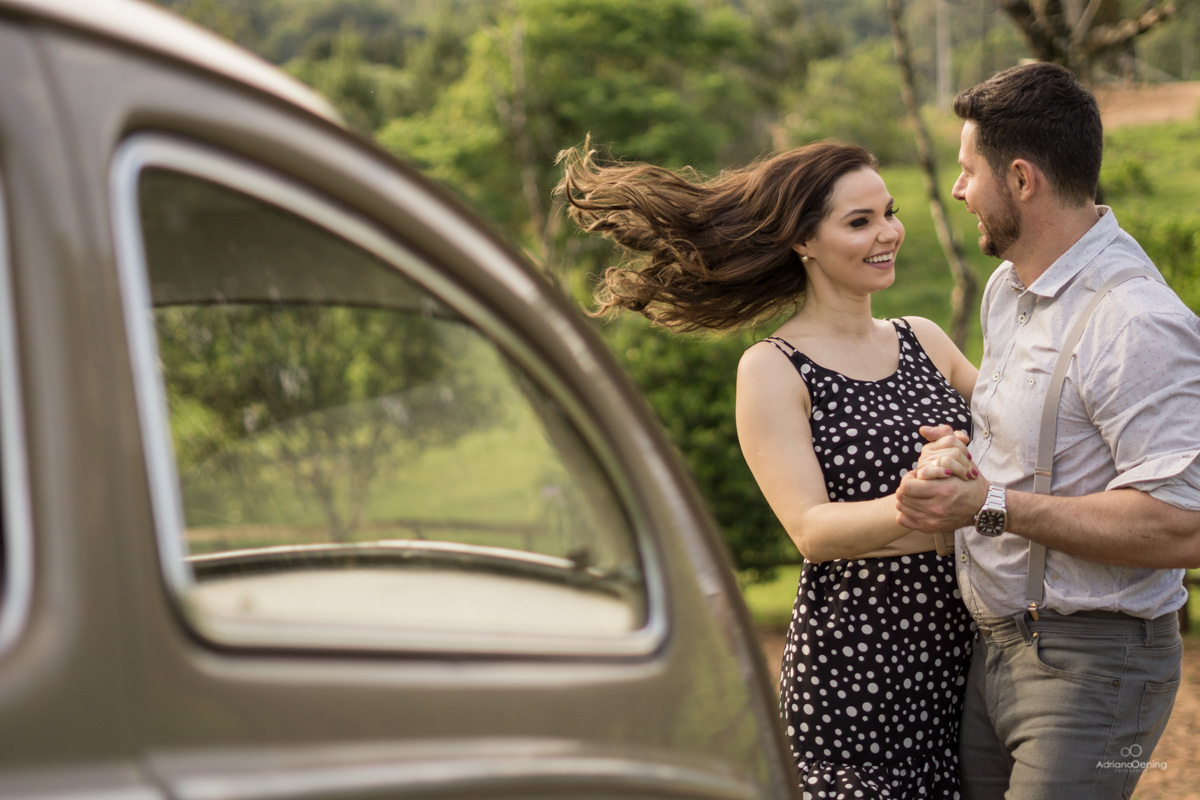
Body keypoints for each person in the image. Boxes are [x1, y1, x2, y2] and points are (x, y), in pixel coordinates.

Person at [557, 140, 979, 797]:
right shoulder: (773, 369)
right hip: (854, 675)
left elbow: (1028, 438)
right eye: (859, 222)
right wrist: (917, 501)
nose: (888, 233)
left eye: (888, 213)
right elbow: (810, 529)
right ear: (803, 241)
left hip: (964, 657)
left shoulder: (925, 339)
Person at [894, 61, 1200, 800]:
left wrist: (987, 505)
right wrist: (958, 452)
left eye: (970, 172)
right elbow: (1041, 441)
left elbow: (1183, 525)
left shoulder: (1136, 322)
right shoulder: (1010, 289)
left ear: (1022, 180)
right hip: (995, 649)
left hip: (1095, 668)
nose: (959, 189)